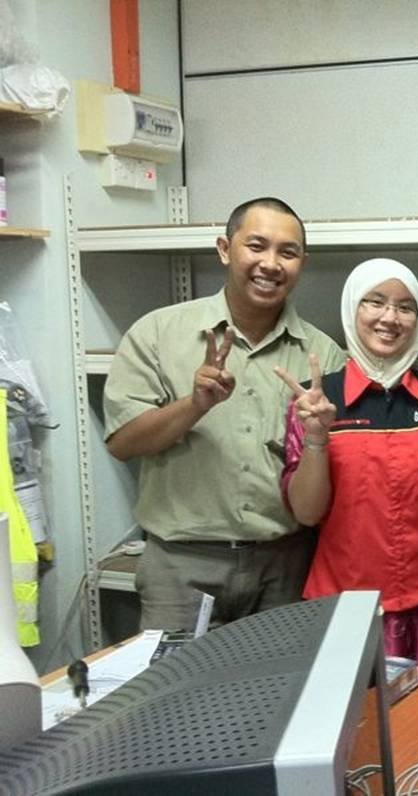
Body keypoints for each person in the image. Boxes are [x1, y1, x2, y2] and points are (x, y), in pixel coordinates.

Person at [103, 197, 346, 631]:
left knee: (280, 676)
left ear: (301, 264)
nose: (270, 263)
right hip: (182, 566)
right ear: (224, 249)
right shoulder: (159, 333)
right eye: (256, 245)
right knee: (178, 678)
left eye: (287, 252)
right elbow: (123, 443)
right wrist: (195, 405)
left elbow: (329, 475)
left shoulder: (322, 355)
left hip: (284, 565)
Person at [276, 257, 418, 671]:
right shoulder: (316, 402)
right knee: (353, 712)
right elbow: (307, 512)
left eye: (405, 307)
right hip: (344, 604)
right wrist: (317, 437)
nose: (390, 318)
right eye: (375, 302)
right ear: (351, 309)